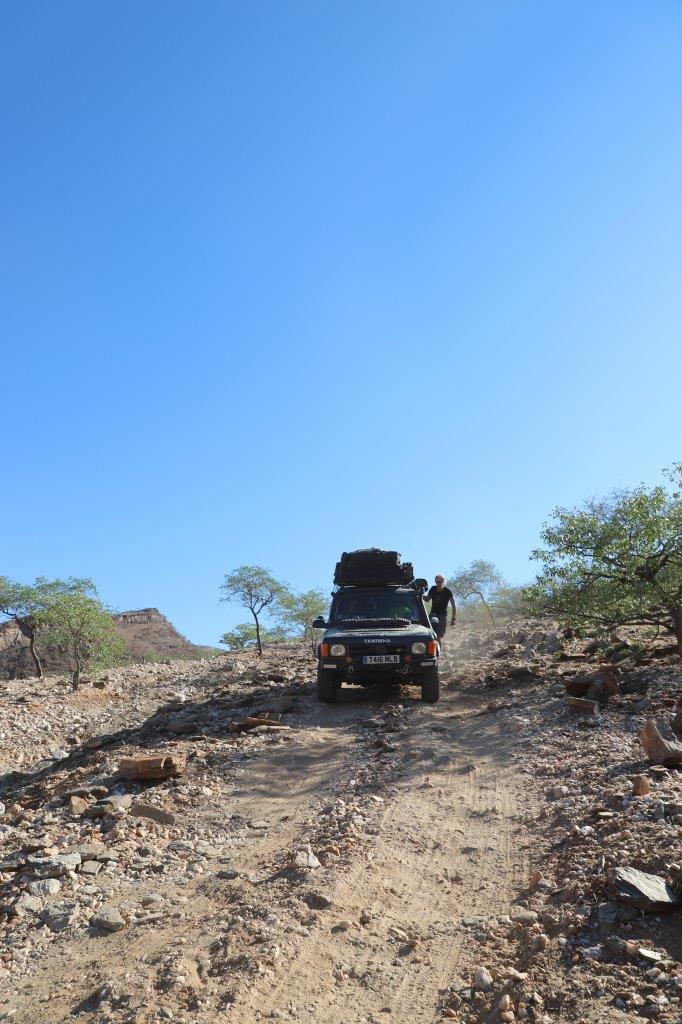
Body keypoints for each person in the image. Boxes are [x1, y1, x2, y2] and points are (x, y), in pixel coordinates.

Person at [424, 574, 456, 643]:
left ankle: (438, 649)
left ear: (444, 582)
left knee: (438, 637)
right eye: (437, 582)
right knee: (430, 635)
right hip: (433, 615)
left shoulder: (448, 592)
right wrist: (420, 594)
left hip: (442, 616)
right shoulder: (433, 589)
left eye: (440, 582)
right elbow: (427, 599)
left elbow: (453, 605)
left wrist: (453, 619)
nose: (439, 583)